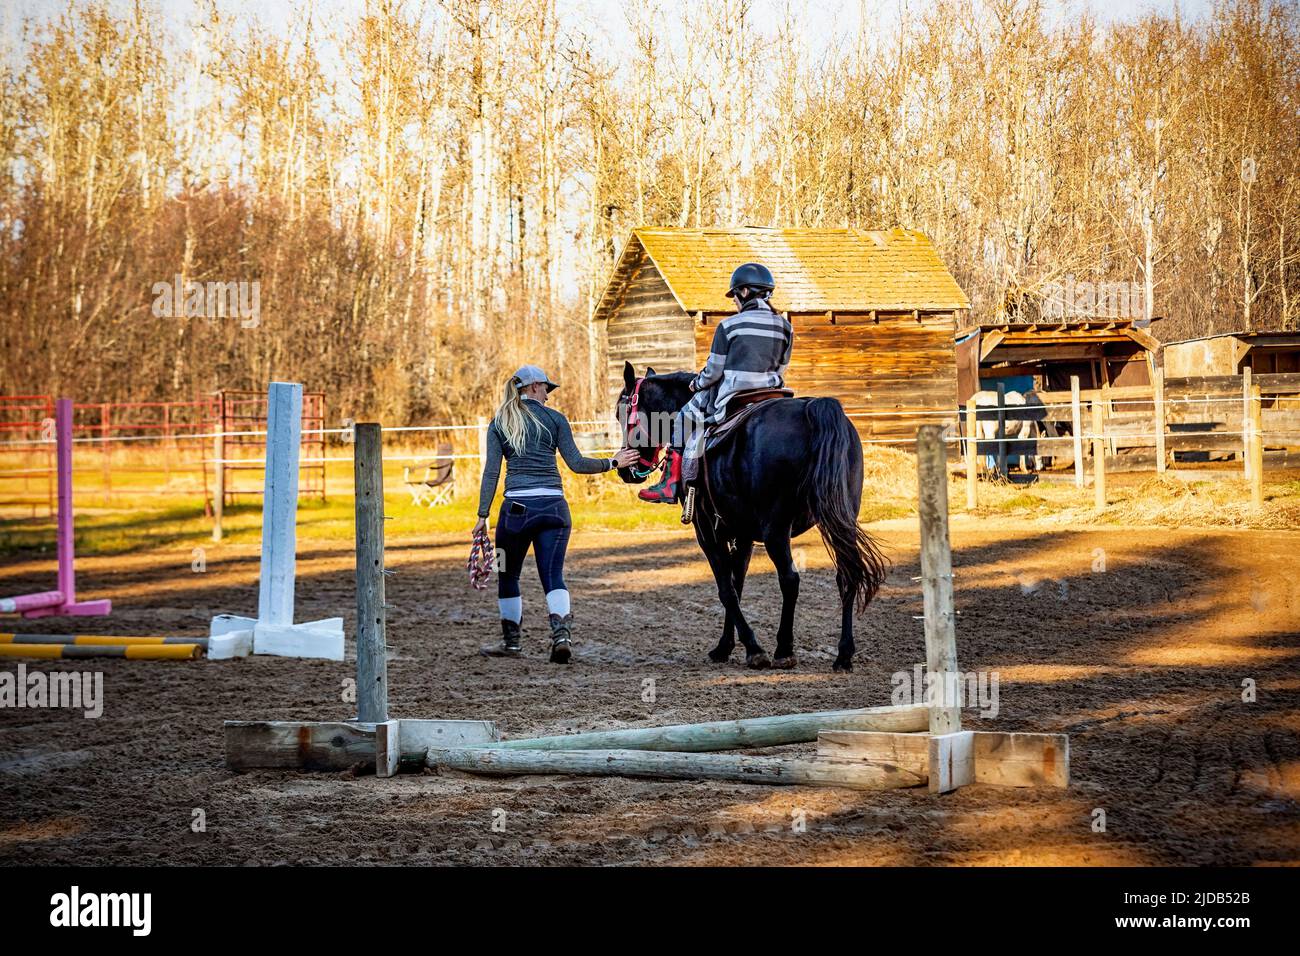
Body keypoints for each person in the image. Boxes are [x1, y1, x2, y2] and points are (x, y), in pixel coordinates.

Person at [476, 365, 640, 663]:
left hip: (515, 512)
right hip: (554, 509)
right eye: (546, 389)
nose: (549, 396)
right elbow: (576, 464)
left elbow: (491, 473)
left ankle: (512, 644)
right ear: (534, 386)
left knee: (507, 574)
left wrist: (482, 515)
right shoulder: (555, 419)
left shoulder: (499, 422)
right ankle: (561, 637)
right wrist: (612, 462)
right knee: (553, 576)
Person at [639, 262, 792, 508]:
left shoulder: (729, 326)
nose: (735, 303)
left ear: (743, 293)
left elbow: (713, 372)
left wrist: (696, 384)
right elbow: (782, 367)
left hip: (736, 395)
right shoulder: (785, 327)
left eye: (735, 297)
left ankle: (669, 484)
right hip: (774, 395)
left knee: (684, 417)